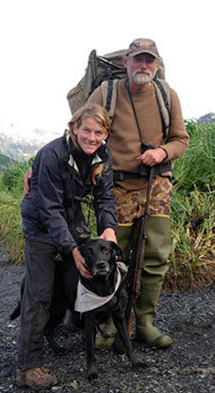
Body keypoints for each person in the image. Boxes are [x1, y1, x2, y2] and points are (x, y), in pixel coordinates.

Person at [87, 38, 189, 350]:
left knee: (156, 256)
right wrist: (37, 169)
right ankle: (108, 321)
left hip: (156, 185)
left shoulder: (166, 95)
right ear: (127, 63)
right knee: (114, 257)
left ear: (156, 65)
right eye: (138, 60)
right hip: (116, 187)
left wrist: (162, 152)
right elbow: (80, 133)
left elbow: (181, 140)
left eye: (149, 60)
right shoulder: (106, 93)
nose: (143, 66)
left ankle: (144, 322)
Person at [16, 103, 118, 390]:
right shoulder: (51, 155)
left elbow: (105, 198)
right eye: (86, 130)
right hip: (41, 225)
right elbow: (50, 210)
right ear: (75, 127)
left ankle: (79, 321)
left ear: (105, 134)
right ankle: (28, 366)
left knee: (88, 273)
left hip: (72, 221)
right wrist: (72, 250)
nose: (92, 137)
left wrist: (109, 228)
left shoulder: (103, 156)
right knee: (39, 294)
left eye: (99, 132)